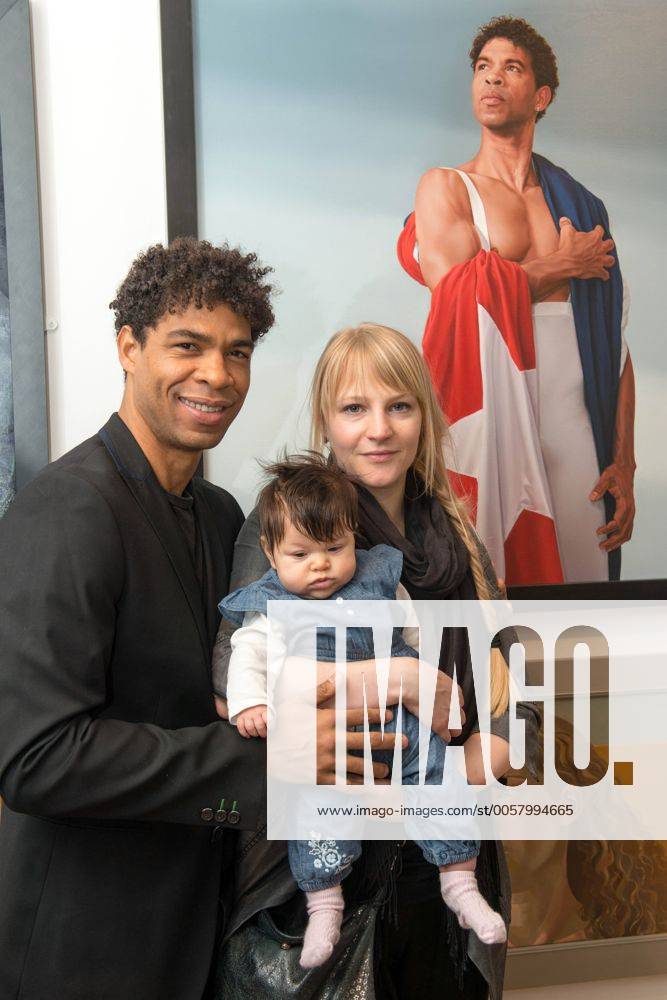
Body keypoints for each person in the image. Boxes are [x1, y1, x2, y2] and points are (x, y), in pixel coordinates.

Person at [0, 237, 400, 1000]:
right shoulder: (65, 510)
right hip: (86, 947)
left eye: (237, 352)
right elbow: (36, 759)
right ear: (129, 346)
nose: (216, 375)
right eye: (188, 346)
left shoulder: (222, 515)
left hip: (205, 927)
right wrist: (269, 766)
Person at [213, 323, 541, 1000]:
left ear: (424, 415)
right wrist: (392, 678)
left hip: (446, 847)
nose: (379, 430)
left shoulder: (454, 529)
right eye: (354, 408)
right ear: (325, 421)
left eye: (399, 406)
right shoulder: (288, 522)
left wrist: (497, 750)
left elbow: (520, 676)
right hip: (326, 858)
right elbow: (231, 680)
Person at [218, 455, 507, 969]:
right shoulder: (269, 603)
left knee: (441, 781)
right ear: (270, 551)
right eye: (301, 554)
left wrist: (428, 677)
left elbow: (415, 631)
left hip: (403, 720)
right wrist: (251, 704)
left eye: (334, 548)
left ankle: (460, 880)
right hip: (330, 731)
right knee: (315, 808)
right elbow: (247, 652)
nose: (321, 565)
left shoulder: (381, 576)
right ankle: (324, 903)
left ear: (353, 535)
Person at [398, 15, 636, 585]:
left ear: (542, 95)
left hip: (577, 431)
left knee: (581, 606)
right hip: (491, 427)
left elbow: (616, 347)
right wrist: (560, 266)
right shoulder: (448, 187)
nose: (492, 80)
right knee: (491, 599)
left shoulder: (581, 206)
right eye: (483, 68)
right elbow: (459, 298)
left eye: (511, 69)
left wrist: (624, 461)